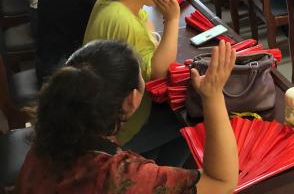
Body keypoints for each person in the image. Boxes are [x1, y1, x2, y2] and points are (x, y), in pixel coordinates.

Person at [16, 39, 239, 193]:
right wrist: (212, 95)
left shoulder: (48, 137)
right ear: (131, 99)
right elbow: (221, 182)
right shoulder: (123, 176)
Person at [83, 0, 190, 165]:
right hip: (119, 125)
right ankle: (155, 174)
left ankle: (149, 161)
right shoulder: (124, 22)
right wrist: (172, 19)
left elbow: (148, 33)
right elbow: (158, 74)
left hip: (96, 110)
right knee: (187, 124)